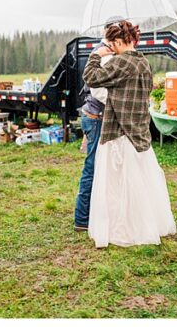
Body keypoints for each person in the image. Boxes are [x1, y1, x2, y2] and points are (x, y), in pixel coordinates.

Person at [83, 20, 176, 248]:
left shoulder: (122, 62)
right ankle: (145, 224)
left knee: (118, 185)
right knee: (141, 183)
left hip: (119, 130)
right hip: (139, 130)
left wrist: (96, 55)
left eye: (111, 43)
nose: (111, 48)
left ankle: (126, 229)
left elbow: (90, 77)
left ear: (117, 41)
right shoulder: (143, 62)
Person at [73, 15, 124, 232]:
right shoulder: (101, 54)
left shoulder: (109, 53)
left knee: (102, 166)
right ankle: (82, 219)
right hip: (97, 117)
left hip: (98, 116)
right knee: (93, 166)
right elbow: (99, 91)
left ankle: (97, 213)